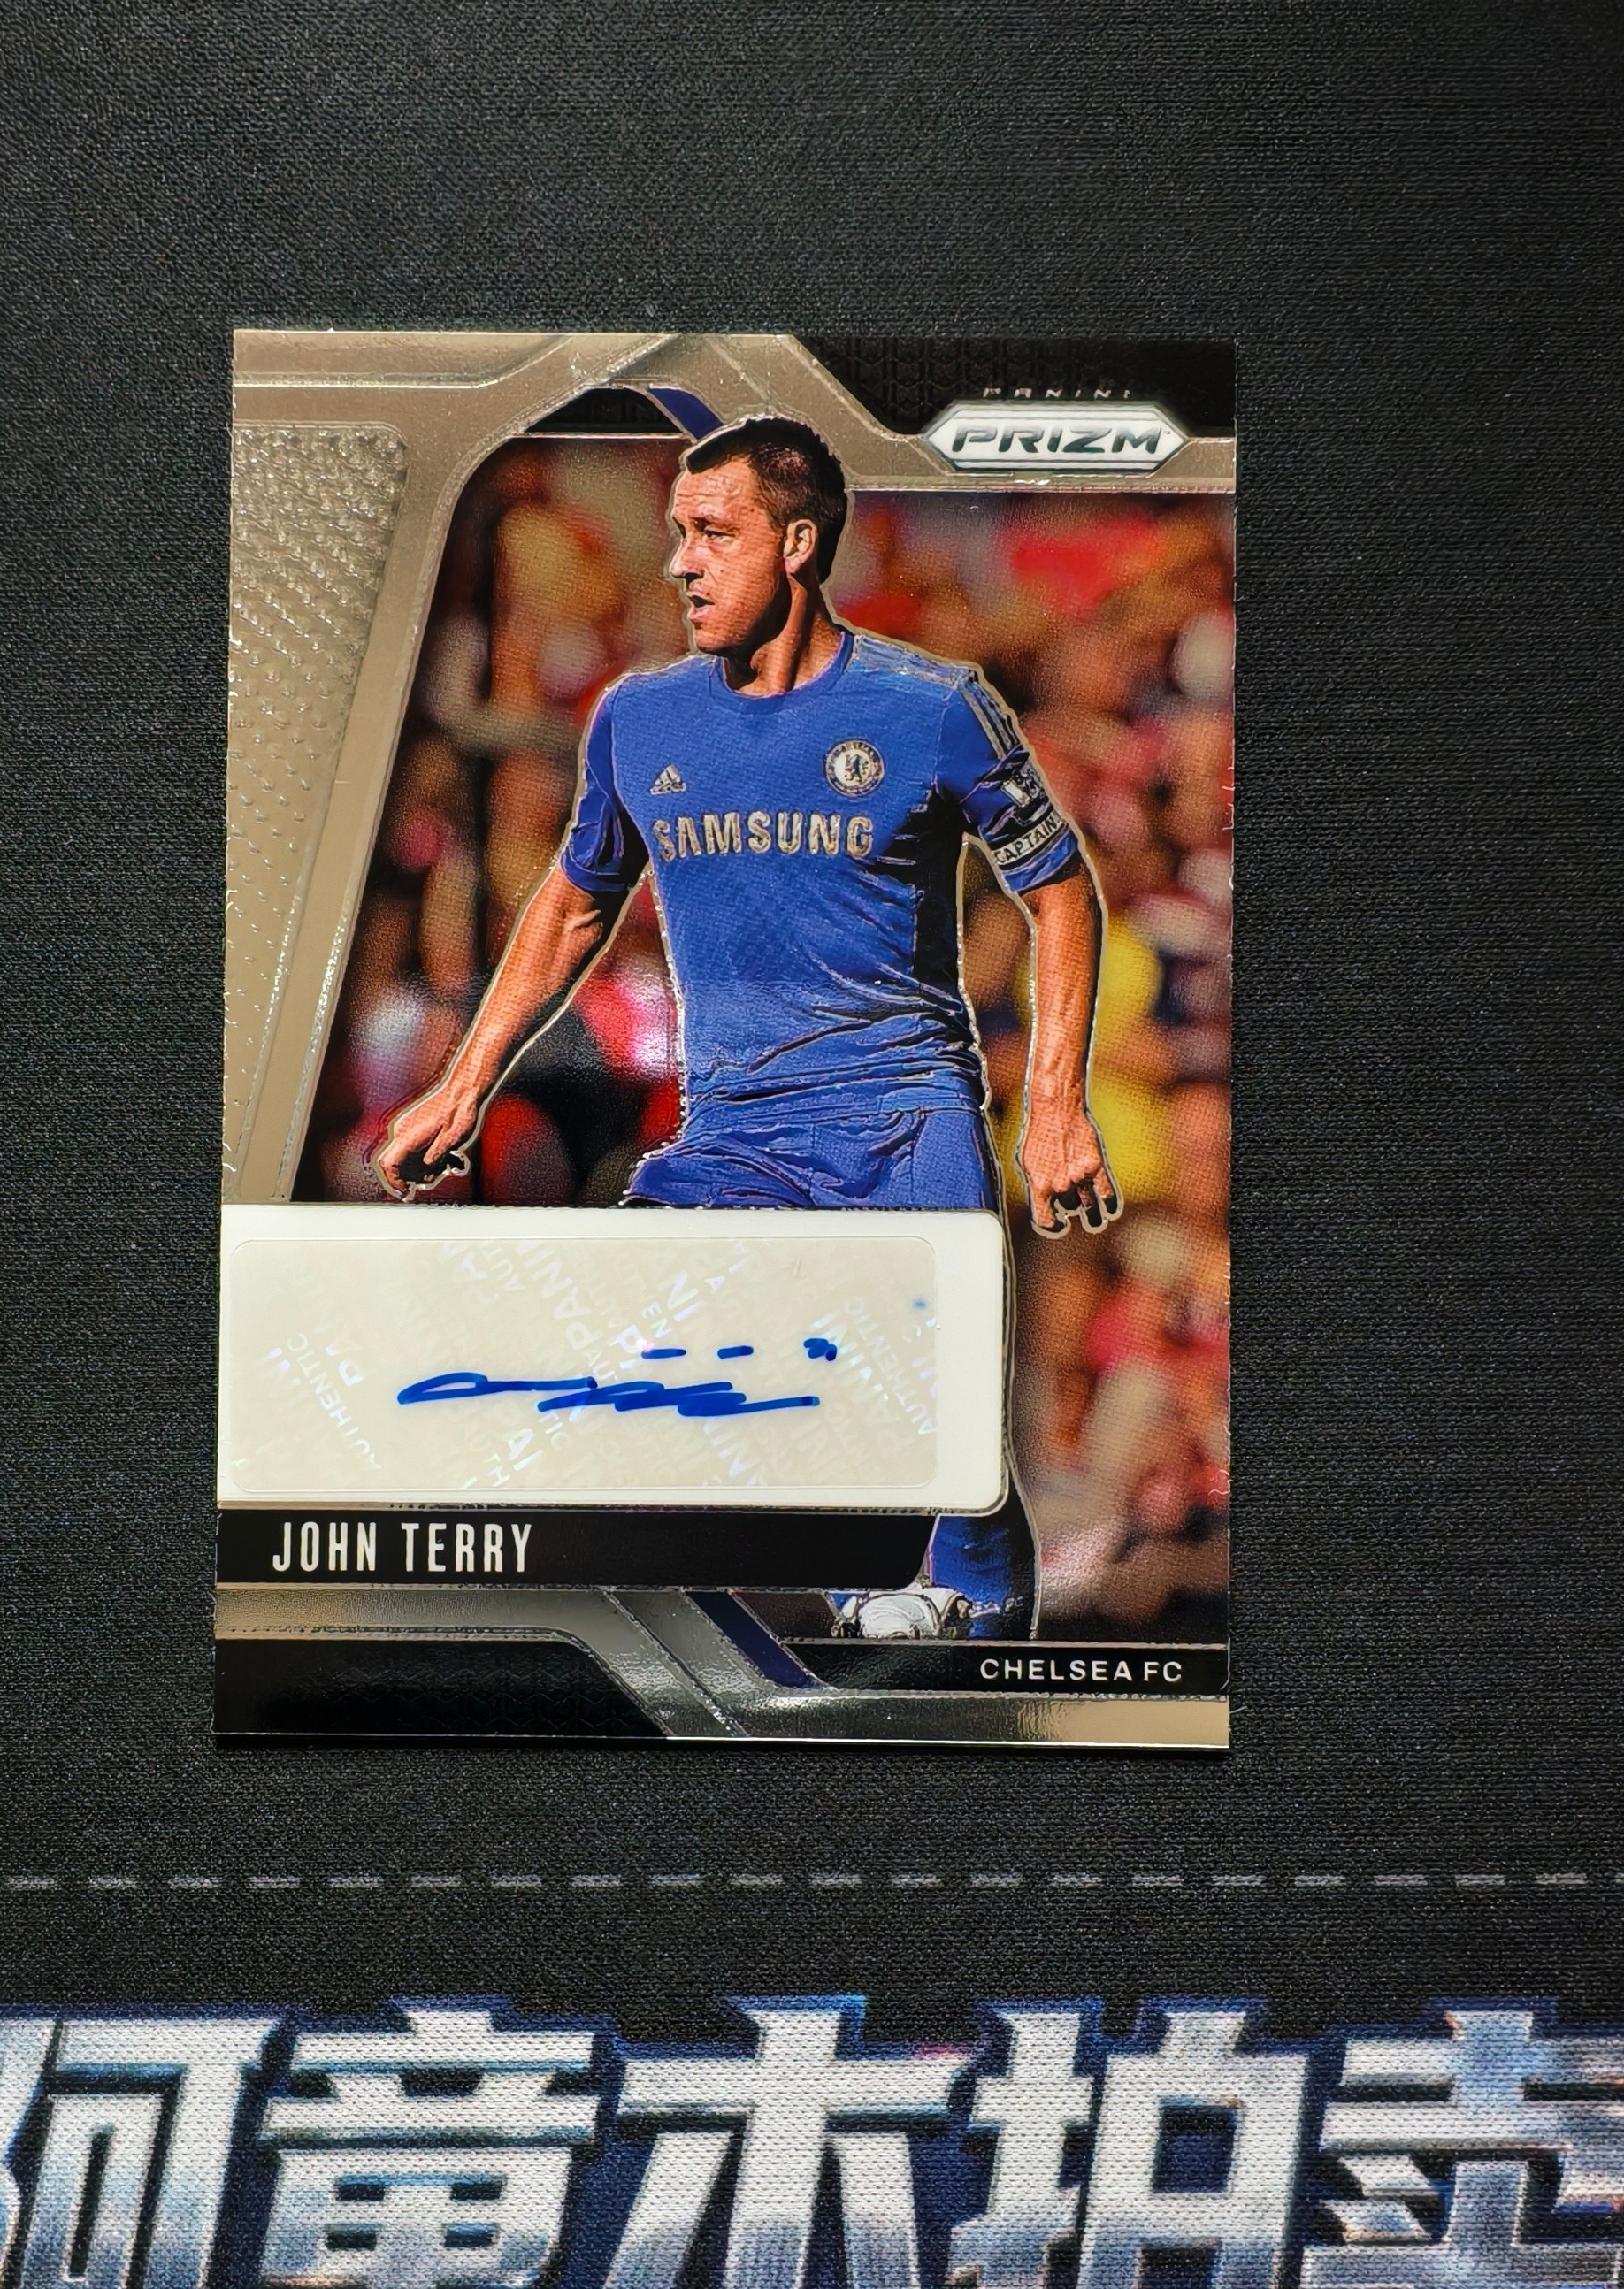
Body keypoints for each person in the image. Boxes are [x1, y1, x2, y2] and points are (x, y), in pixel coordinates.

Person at [375, 416, 1115, 1638]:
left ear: (801, 544)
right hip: (736, 1139)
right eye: (677, 533)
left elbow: (1060, 890)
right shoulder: (639, 719)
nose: (681, 562)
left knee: (947, 1457)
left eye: (714, 534)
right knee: (635, 1352)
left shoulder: (934, 707)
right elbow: (574, 903)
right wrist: (463, 1085)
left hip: (902, 1124)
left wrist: (1052, 1108)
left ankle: (967, 1645)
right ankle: (790, 1612)